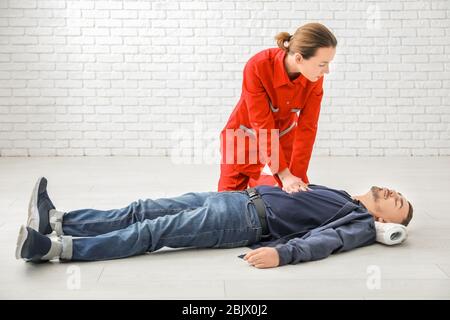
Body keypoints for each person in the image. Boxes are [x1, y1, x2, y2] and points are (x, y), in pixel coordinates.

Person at [16, 177, 413, 269]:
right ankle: (57, 219)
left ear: (384, 220)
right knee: (144, 209)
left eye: (400, 204)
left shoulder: (360, 222)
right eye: (398, 193)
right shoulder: (345, 197)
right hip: (237, 198)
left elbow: (325, 242)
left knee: (153, 232)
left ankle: (53, 249)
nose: (396, 194)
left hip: (244, 220)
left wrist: (282, 254)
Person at [218, 22, 337, 193]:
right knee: (225, 203)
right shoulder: (258, 66)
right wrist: (283, 174)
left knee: (293, 195)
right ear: (298, 58)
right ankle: (257, 177)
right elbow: (261, 124)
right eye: (322, 64)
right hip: (244, 136)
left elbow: (308, 127)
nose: (327, 71)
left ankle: (261, 181)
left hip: (284, 136)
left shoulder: (314, 78)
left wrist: (296, 176)